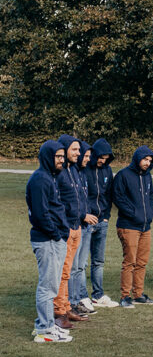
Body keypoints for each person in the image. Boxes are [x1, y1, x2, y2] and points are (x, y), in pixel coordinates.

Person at [26, 140, 73, 342]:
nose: (62, 160)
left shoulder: (51, 177)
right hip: (47, 240)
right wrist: (56, 234)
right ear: (48, 157)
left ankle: (46, 325)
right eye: (58, 156)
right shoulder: (40, 180)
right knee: (47, 286)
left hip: (55, 238)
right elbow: (40, 214)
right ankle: (44, 330)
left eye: (63, 156)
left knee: (52, 285)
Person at [113, 145, 153, 308]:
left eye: (150, 160)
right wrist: (133, 213)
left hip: (146, 226)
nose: (147, 163)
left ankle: (138, 294)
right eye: (145, 159)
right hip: (129, 225)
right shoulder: (123, 175)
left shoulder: (147, 177)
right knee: (130, 261)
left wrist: (149, 214)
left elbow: (151, 196)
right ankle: (125, 296)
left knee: (142, 262)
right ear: (137, 158)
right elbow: (117, 197)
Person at [55, 136, 93, 324]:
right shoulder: (59, 173)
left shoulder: (75, 171)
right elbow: (58, 203)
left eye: (79, 150)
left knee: (67, 272)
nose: (79, 153)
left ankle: (67, 307)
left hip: (77, 227)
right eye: (75, 150)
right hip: (65, 229)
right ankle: (58, 312)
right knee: (61, 272)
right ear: (64, 150)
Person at [82, 137, 117, 307]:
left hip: (102, 221)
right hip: (86, 222)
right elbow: (80, 195)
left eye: (106, 158)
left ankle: (98, 295)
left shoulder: (107, 171)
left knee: (99, 261)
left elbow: (109, 194)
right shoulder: (83, 169)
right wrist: (84, 215)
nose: (102, 161)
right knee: (82, 262)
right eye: (100, 157)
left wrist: (106, 216)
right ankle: (82, 296)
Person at [67, 141, 98, 315]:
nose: (85, 158)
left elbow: (85, 199)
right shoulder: (69, 173)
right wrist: (82, 215)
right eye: (84, 155)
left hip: (85, 227)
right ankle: (70, 303)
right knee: (72, 267)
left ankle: (77, 299)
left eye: (86, 155)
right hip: (76, 225)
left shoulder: (81, 174)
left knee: (80, 266)